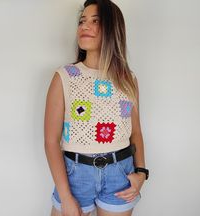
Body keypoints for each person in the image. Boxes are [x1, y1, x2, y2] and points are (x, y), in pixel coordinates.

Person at [44, 0, 149, 215]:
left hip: (120, 174)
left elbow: (135, 132)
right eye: (82, 21)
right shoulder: (65, 76)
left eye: (95, 21)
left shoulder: (128, 79)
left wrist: (141, 173)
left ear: (112, 29)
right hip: (74, 176)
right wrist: (65, 196)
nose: (84, 26)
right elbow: (51, 141)